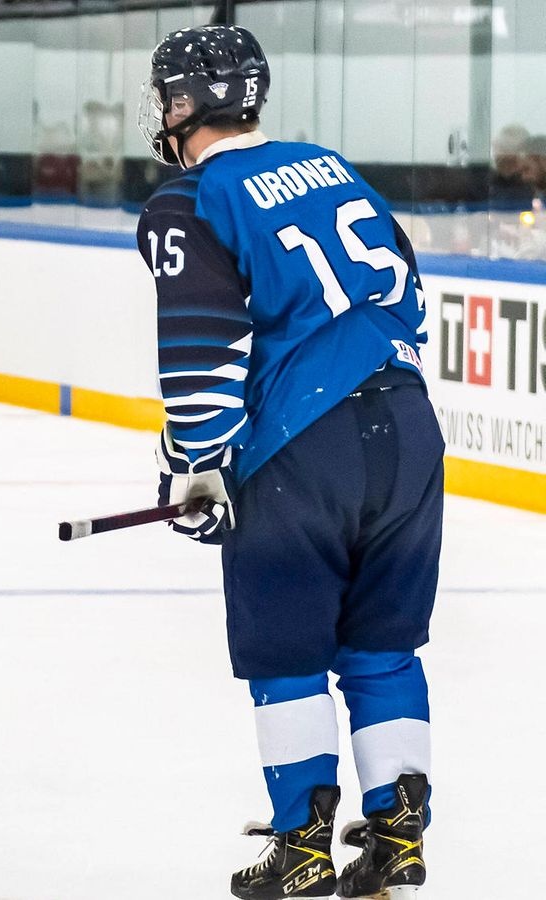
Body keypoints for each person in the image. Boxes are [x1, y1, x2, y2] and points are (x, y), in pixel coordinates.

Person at [137, 25, 436, 900]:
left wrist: (195, 464)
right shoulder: (334, 167)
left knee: (288, 653)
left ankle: (301, 845)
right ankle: (397, 838)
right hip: (410, 432)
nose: (164, 112)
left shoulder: (190, 200)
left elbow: (202, 351)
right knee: (383, 648)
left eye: (169, 96)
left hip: (302, 454)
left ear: (190, 102)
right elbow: (409, 293)